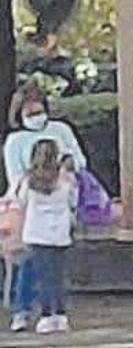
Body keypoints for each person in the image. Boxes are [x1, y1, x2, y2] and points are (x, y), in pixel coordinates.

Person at [4, 84, 86, 332]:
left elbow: (79, 162)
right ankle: (24, 309)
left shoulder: (61, 131)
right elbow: (14, 176)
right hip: (33, 215)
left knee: (43, 268)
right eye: (29, 113)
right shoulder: (15, 141)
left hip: (39, 219)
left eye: (39, 111)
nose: (36, 117)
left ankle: (46, 312)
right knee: (27, 265)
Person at [13, 140, 78, 334]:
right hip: (59, 232)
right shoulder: (65, 179)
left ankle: (46, 316)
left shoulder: (28, 180)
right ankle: (61, 315)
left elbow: (21, 202)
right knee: (58, 276)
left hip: (36, 233)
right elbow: (73, 201)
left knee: (42, 277)